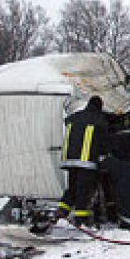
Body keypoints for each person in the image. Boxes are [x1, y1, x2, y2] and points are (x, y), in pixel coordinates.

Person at [55, 96, 109, 226]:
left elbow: (67, 122)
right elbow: (103, 142)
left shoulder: (74, 117)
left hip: (69, 160)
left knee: (72, 188)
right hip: (86, 162)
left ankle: (62, 210)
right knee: (83, 191)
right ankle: (81, 219)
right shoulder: (99, 120)